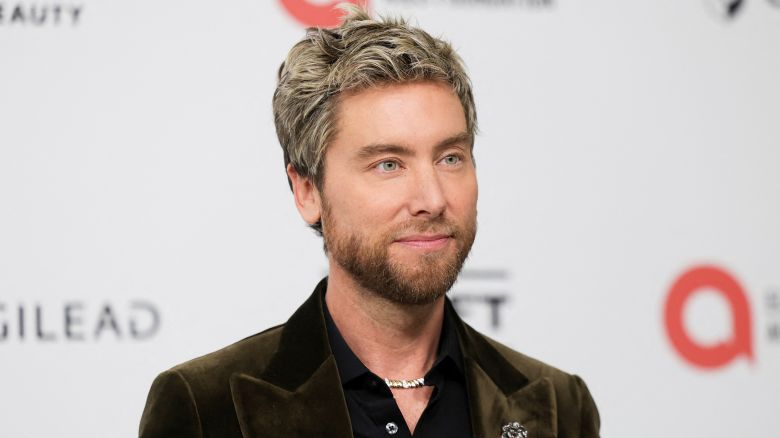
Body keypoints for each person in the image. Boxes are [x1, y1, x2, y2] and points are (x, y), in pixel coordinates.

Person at [139, 5, 600, 438]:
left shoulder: (559, 407)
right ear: (307, 191)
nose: (432, 199)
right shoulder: (207, 408)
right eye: (388, 164)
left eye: (450, 157)